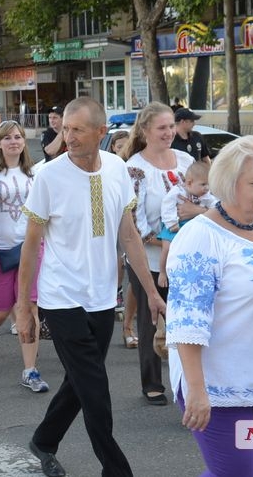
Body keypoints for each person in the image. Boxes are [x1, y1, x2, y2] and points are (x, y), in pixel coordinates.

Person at [15, 97, 165, 477]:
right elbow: (31, 246)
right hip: (60, 298)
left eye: (77, 129)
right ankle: (116, 470)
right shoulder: (49, 176)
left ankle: (44, 440)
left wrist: (149, 291)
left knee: (81, 381)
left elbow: (128, 235)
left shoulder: (117, 169)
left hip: (102, 298)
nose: (68, 136)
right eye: (65, 128)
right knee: (95, 389)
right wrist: (23, 306)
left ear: (102, 132)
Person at [166, 135, 253, 477]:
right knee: (235, 473)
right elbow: (187, 320)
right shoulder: (201, 236)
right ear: (230, 183)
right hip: (220, 386)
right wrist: (197, 391)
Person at [122, 101, 200, 406]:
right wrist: (168, 239)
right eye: (162, 128)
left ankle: (189, 382)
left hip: (187, 258)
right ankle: (152, 382)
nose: (169, 132)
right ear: (145, 131)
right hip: (149, 258)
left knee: (188, 321)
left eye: (171, 126)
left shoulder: (184, 159)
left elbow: (205, 196)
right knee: (152, 318)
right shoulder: (134, 168)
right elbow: (135, 222)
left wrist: (197, 218)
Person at [0, 120, 49, 392]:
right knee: (2, 310)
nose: (14, 141)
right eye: (8, 138)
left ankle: (30, 370)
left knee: (29, 306)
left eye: (18, 137)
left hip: (31, 248)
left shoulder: (34, 173)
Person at [156, 161, 217, 288]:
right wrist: (171, 222)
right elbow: (167, 205)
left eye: (208, 184)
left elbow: (216, 206)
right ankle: (162, 272)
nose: (207, 188)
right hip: (175, 223)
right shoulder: (178, 191)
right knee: (167, 247)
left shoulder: (205, 195)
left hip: (193, 224)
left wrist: (209, 211)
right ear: (189, 183)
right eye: (203, 184)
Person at [108, 130, 137, 347]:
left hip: (144, 227)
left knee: (142, 281)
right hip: (121, 223)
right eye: (119, 146)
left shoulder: (139, 165)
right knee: (127, 269)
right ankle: (127, 326)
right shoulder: (112, 168)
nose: (123, 150)